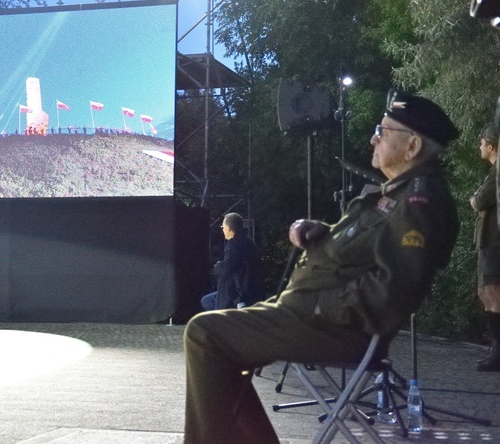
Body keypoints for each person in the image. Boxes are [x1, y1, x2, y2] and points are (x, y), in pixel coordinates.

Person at [183, 89, 460, 444]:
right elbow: (364, 247)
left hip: (336, 327)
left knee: (204, 334)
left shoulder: (418, 202)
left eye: (384, 130)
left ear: (413, 147)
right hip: (310, 315)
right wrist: (322, 233)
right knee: (218, 348)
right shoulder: (393, 194)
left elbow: (395, 288)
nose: (373, 137)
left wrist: (320, 304)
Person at [470, 123, 500, 371]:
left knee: (492, 292)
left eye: (482, 143)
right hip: (490, 239)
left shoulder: (498, 171)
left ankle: (497, 353)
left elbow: (480, 199)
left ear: (491, 146)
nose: (480, 146)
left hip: (494, 240)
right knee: (488, 293)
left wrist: (476, 201)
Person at [200, 213, 264, 311]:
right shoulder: (249, 241)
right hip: (252, 289)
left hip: (238, 292)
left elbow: (227, 267)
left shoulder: (234, 245)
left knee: (207, 302)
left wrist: (217, 266)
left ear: (229, 228)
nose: (222, 229)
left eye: (223, 226)